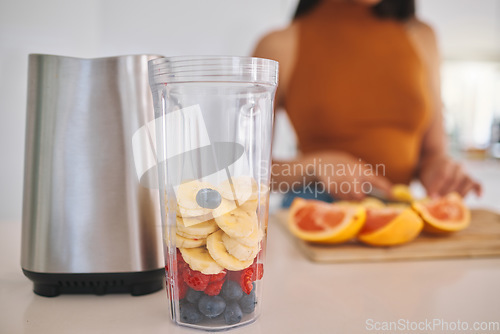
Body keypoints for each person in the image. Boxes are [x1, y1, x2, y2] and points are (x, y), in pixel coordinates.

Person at [252, 0, 482, 202]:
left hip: (397, 214)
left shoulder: (422, 37)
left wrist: (440, 171)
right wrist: (314, 166)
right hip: (314, 210)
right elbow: (244, 172)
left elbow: (432, 154)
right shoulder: (278, 45)